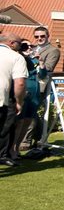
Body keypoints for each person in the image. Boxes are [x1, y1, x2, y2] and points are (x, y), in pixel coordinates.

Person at [19, 26, 61, 150]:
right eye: (36, 36)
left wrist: (36, 58)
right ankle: (38, 137)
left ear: (48, 36)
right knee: (28, 112)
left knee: (31, 113)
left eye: (42, 36)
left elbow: (48, 68)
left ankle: (26, 141)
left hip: (40, 85)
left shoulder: (53, 50)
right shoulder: (30, 48)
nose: (39, 38)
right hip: (25, 82)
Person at [0, 33, 28, 167]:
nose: (21, 46)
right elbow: (20, 83)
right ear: (11, 43)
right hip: (1, 98)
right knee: (4, 129)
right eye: (19, 43)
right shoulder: (16, 57)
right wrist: (19, 102)